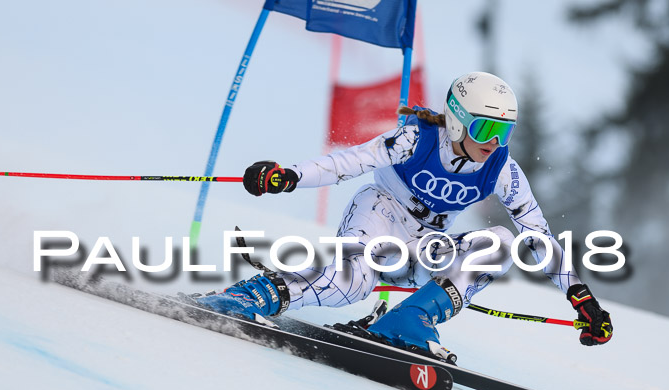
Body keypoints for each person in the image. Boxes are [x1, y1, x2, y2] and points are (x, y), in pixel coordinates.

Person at [195, 71, 613, 359]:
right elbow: (349, 162)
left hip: (424, 246)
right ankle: (248, 297)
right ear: (458, 121)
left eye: (504, 132)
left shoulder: (502, 167)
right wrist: (288, 176)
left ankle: (408, 322)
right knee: (353, 283)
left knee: (500, 242)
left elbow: (536, 235)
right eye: (486, 130)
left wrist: (582, 298)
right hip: (380, 216)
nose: (494, 142)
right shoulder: (415, 139)